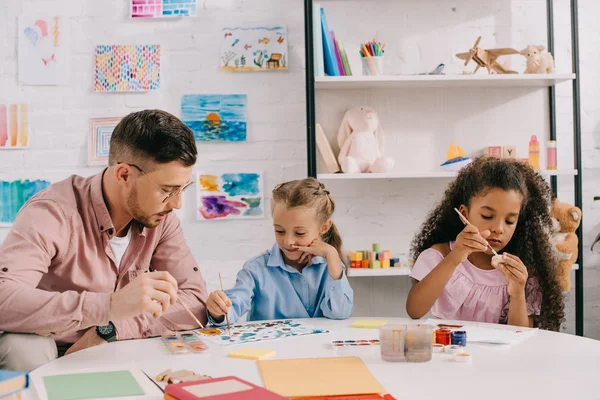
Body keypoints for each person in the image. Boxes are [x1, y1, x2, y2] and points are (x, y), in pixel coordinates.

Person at [0, 110, 208, 371]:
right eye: (167, 190)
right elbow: (4, 300)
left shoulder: (160, 217)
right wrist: (110, 306)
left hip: (115, 343)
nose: (177, 204)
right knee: (22, 347)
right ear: (123, 175)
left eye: (182, 189)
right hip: (51, 345)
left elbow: (195, 302)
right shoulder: (53, 212)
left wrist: (111, 328)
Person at [406, 157, 565, 331]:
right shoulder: (439, 255)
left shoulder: (521, 269)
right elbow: (415, 310)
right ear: (464, 214)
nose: (498, 228)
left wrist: (518, 292)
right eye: (487, 216)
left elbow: (520, 335)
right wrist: (454, 258)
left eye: (510, 221)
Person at [206, 178, 354, 325]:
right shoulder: (255, 268)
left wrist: (332, 255)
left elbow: (340, 313)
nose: (288, 241)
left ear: (323, 228)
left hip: (318, 347)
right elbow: (234, 306)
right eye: (280, 231)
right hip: (271, 348)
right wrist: (218, 310)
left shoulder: (330, 265)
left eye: (300, 233)